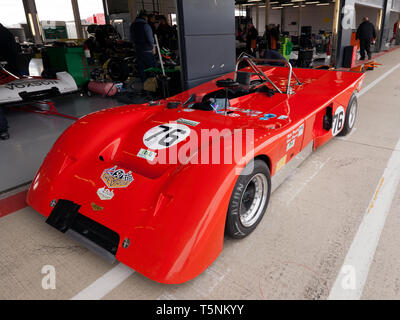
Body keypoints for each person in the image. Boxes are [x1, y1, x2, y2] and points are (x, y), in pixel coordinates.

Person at [130, 12, 156, 82]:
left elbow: (131, 38)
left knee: (142, 68)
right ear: (145, 17)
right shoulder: (145, 25)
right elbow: (150, 38)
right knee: (151, 68)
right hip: (147, 50)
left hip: (138, 50)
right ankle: (152, 85)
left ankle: (145, 85)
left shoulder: (132, 25)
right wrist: (152, 46)